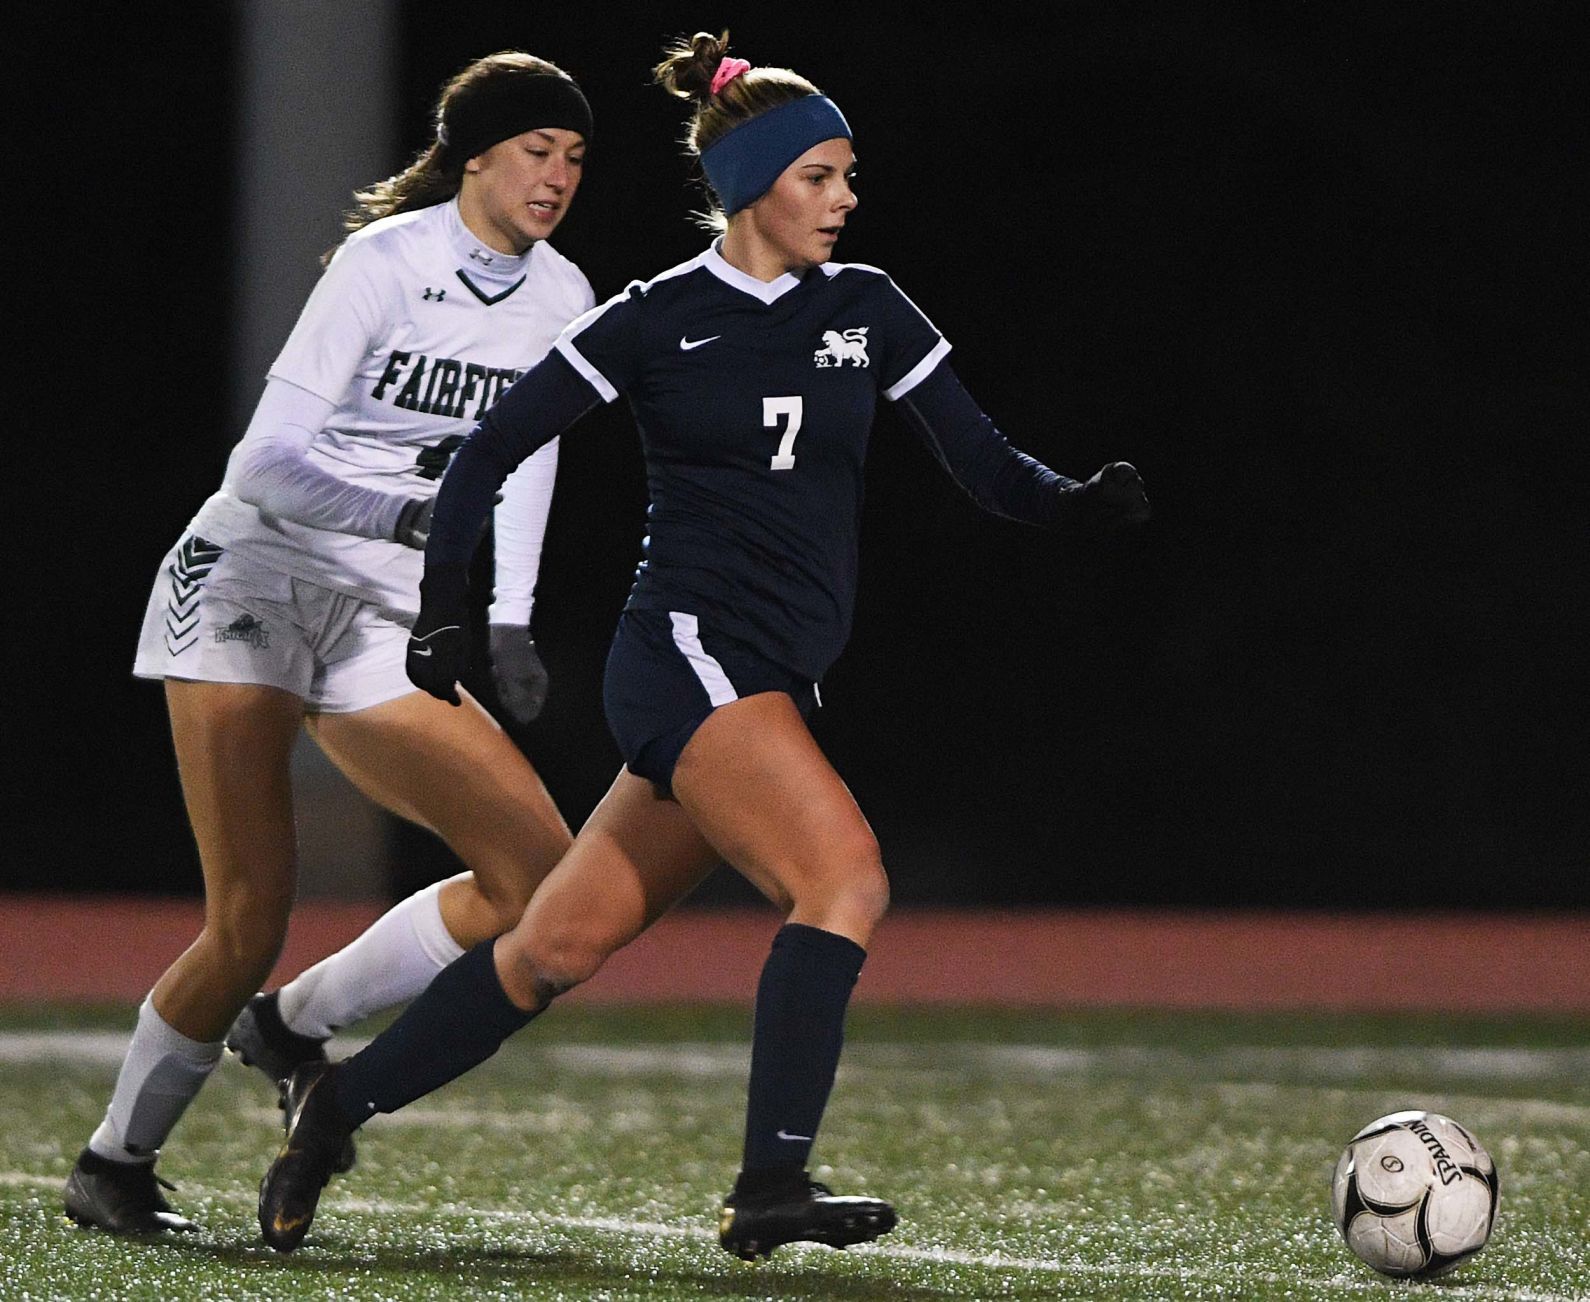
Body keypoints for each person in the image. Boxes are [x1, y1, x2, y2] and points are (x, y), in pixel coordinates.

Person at [258, 30, 1150, 1260]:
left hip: (767, 673)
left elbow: (988, 469)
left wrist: (1069, 500)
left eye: (848, 176)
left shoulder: (869, 308)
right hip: (686, 653)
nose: (846, 197)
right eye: (821, 175)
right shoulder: (657, 320)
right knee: (845, 878)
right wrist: (452, 603)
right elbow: (487, 453)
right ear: (753, 188)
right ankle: (770, 1186)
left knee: (555, 947)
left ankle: (332, 1106)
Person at [63, 52, 601, 1235]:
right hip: (252, 572)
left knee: (538, 879)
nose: (556, 173)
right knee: (248, 911)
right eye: (534, 150)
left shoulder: (564, 296)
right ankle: (114, 1163)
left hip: (378, 604)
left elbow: (528, 461)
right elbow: (258, 462)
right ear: (475, 157)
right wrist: (408, 517)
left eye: (571, 155)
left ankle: (289, 1025)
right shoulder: (384, 261)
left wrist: (509, 612)